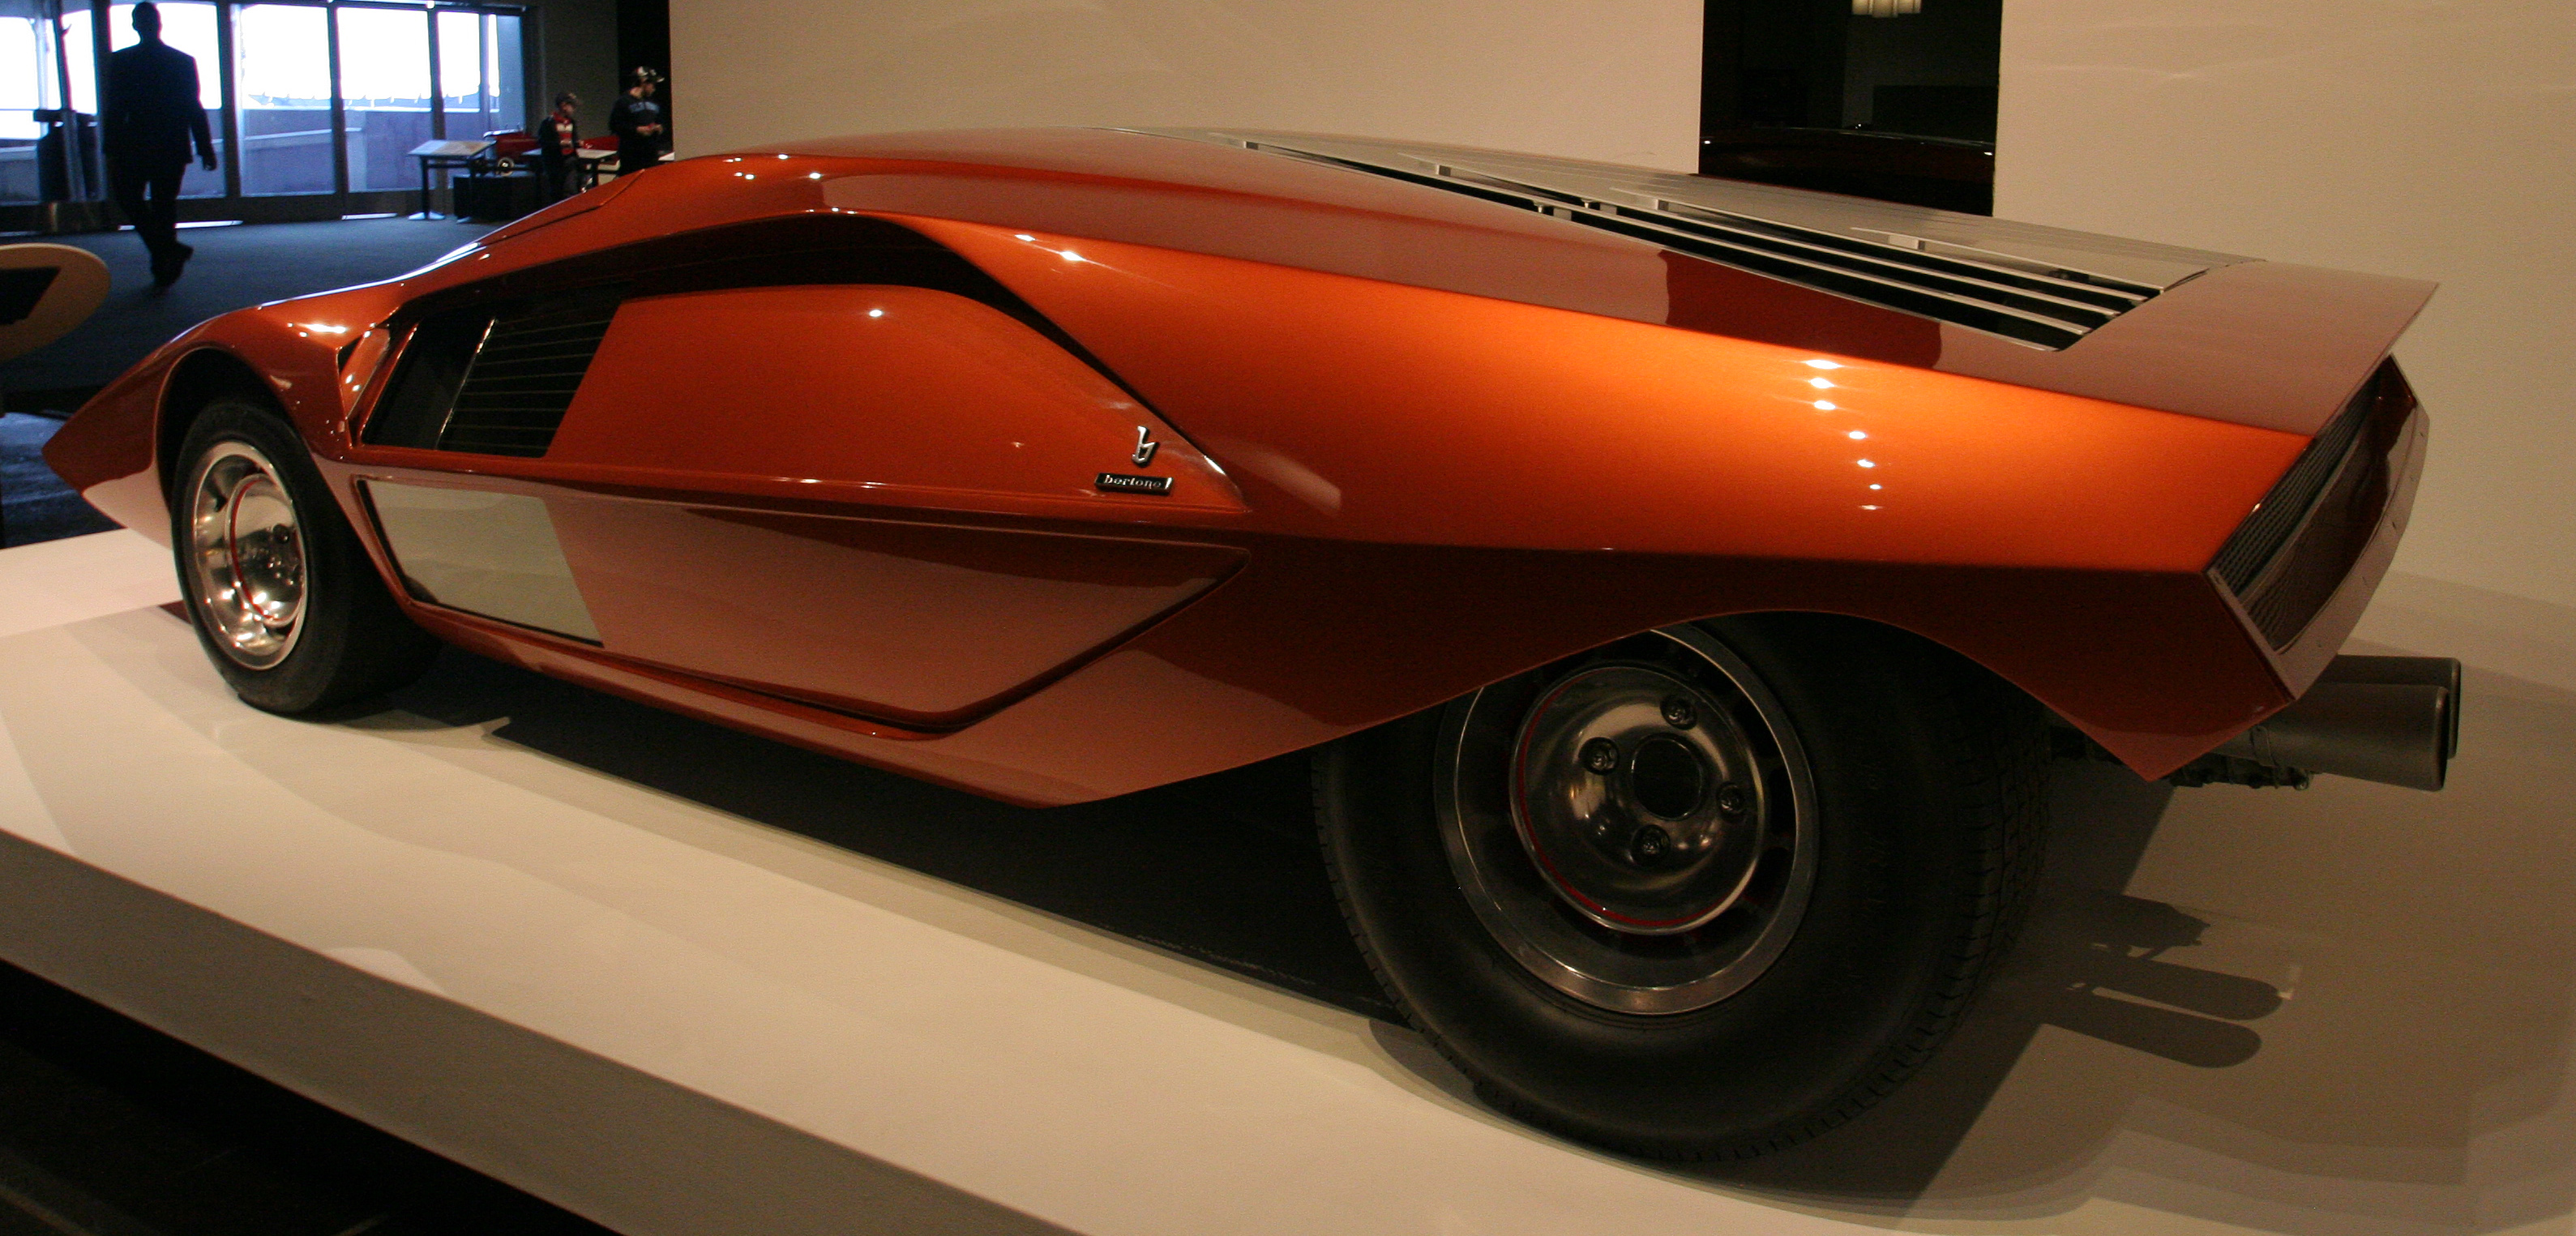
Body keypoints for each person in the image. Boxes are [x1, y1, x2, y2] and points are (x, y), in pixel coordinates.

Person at [101, 2, 217, 288]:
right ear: (159, 24)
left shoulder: (121, 61)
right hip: (171, 142)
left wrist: (110, 146)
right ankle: (165, 256)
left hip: (134, 143)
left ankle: (164, 253)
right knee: (164, 204)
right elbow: (193, 106)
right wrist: (204, 146)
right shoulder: (181, 60)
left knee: (130, 199)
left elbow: (115, 108)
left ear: (135, 26)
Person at [607, 67, 665, 178]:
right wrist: (637, 130)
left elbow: (661, 122)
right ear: (643, 82)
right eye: (652, 84)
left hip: (651, 155)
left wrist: (659, 128)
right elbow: (614, 126)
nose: (654, 88)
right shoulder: (624, 102)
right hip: (631, 156)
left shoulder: (653, 102)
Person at [534, 92, 580, 202]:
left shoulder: (572, 122)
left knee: (570, 189)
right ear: (564, 106)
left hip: (569, 160)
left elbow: (574, 138)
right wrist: (559, 144)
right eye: (571, 106)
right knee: (556, 190)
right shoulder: (549, 123)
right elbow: (543, 141)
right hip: (554, 161)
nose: (573, 109)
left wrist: (576, 143)